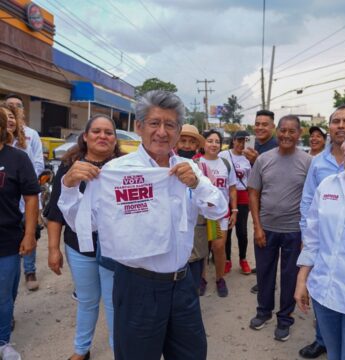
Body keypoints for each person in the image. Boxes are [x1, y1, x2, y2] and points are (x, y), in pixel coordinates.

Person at [58, 90, 228, 360]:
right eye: (154, 123)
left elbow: (219, 208)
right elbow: (85, 224)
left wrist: (197, 185)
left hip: (183, 285)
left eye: (170, 124)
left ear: (177, 130)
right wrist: (68, 188)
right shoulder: (117, 171)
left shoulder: (189, 169)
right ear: (139, 127)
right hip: (137, 287)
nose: (162, 132)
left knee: (192, 354)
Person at [46, 114, 121, 360]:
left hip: (115, 250)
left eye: (108, 132)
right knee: (87, 301)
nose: (102, 136)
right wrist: (53, 249)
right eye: (97, 131)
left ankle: (119, 351)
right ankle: (81, 350)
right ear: (86, 137)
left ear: (115, 139)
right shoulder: (69, 168)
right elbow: (56, 213)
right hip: (79, 247)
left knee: (114, 304)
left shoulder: (124, 167)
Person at [295, 119, 345, 360]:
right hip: (324, 294)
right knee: (334, 355)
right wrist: (302, 279)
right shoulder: (328, 186)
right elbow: (313, 239)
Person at [248, 115, 312, 341]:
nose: (286, 135)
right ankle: (263, 312)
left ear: (299, 133)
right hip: (266, 229)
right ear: (277, 131)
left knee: (289, 277)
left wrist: (306, 234)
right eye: (282, 130)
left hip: (294, 232)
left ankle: (285, 319)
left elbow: (312, 198)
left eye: (291, 131)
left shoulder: (308, 162)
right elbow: (253, 192)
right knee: (264, 274)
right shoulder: (263, 160)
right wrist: (257, 226)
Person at [0, 108, 40, 360]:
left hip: (7, 238)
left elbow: (31, 198)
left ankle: (3, 341)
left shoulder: (17, 158)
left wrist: (29, 234)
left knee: (4, 293)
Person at [5, 94, 44, 291]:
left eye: (17, 106)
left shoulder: (31, 134)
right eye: (9, 106)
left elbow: (38, 161)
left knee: (30, 231)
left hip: (27, 192)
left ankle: (29, 270)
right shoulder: (3, 135)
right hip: (6, 197)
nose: (13, 109)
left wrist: (24, 180)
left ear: (22, 110)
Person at [243, 109, 278, 293]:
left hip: (272, 203)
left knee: (268, 242)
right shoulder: (254, 144)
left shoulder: (277, 146)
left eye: (265, 124)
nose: (260, 127)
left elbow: (278, 178)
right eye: (257, 124)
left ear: (273, 126)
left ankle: (267, 282)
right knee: (260, 240)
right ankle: (264, 272)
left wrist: (258, 161)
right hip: (256, 199)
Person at [199, 129, 237, 297]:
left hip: (219, 214)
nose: (213, 144)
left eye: (217, 142)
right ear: (203, 143)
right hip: (201, 213)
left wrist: (234, 210)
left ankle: (220, 279)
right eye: (210, 140)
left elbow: (232, 188)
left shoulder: (226, 164)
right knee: (202, 249)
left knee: (218, 246)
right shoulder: (196, 163)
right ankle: (202, 279)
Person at [174, 124, 209, 290]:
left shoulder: (203, 167)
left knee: (195, 260)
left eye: (191, 142)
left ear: (197, 146)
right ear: (176, 142)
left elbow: (211, 195)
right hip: (174, 226)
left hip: (197, 223)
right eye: (183, 140)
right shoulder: (166, 164)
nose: (187, 145)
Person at [219, 130, 252, 274]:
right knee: (227, 229)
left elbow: (250, 181)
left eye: (244, 141)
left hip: (243, 195)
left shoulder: (248, 158)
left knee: (242, 231)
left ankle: (243, 259)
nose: (241, 144)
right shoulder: (223, 155)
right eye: (239, 140)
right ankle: (227, 260)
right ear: (233, 141)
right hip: (226, 195)